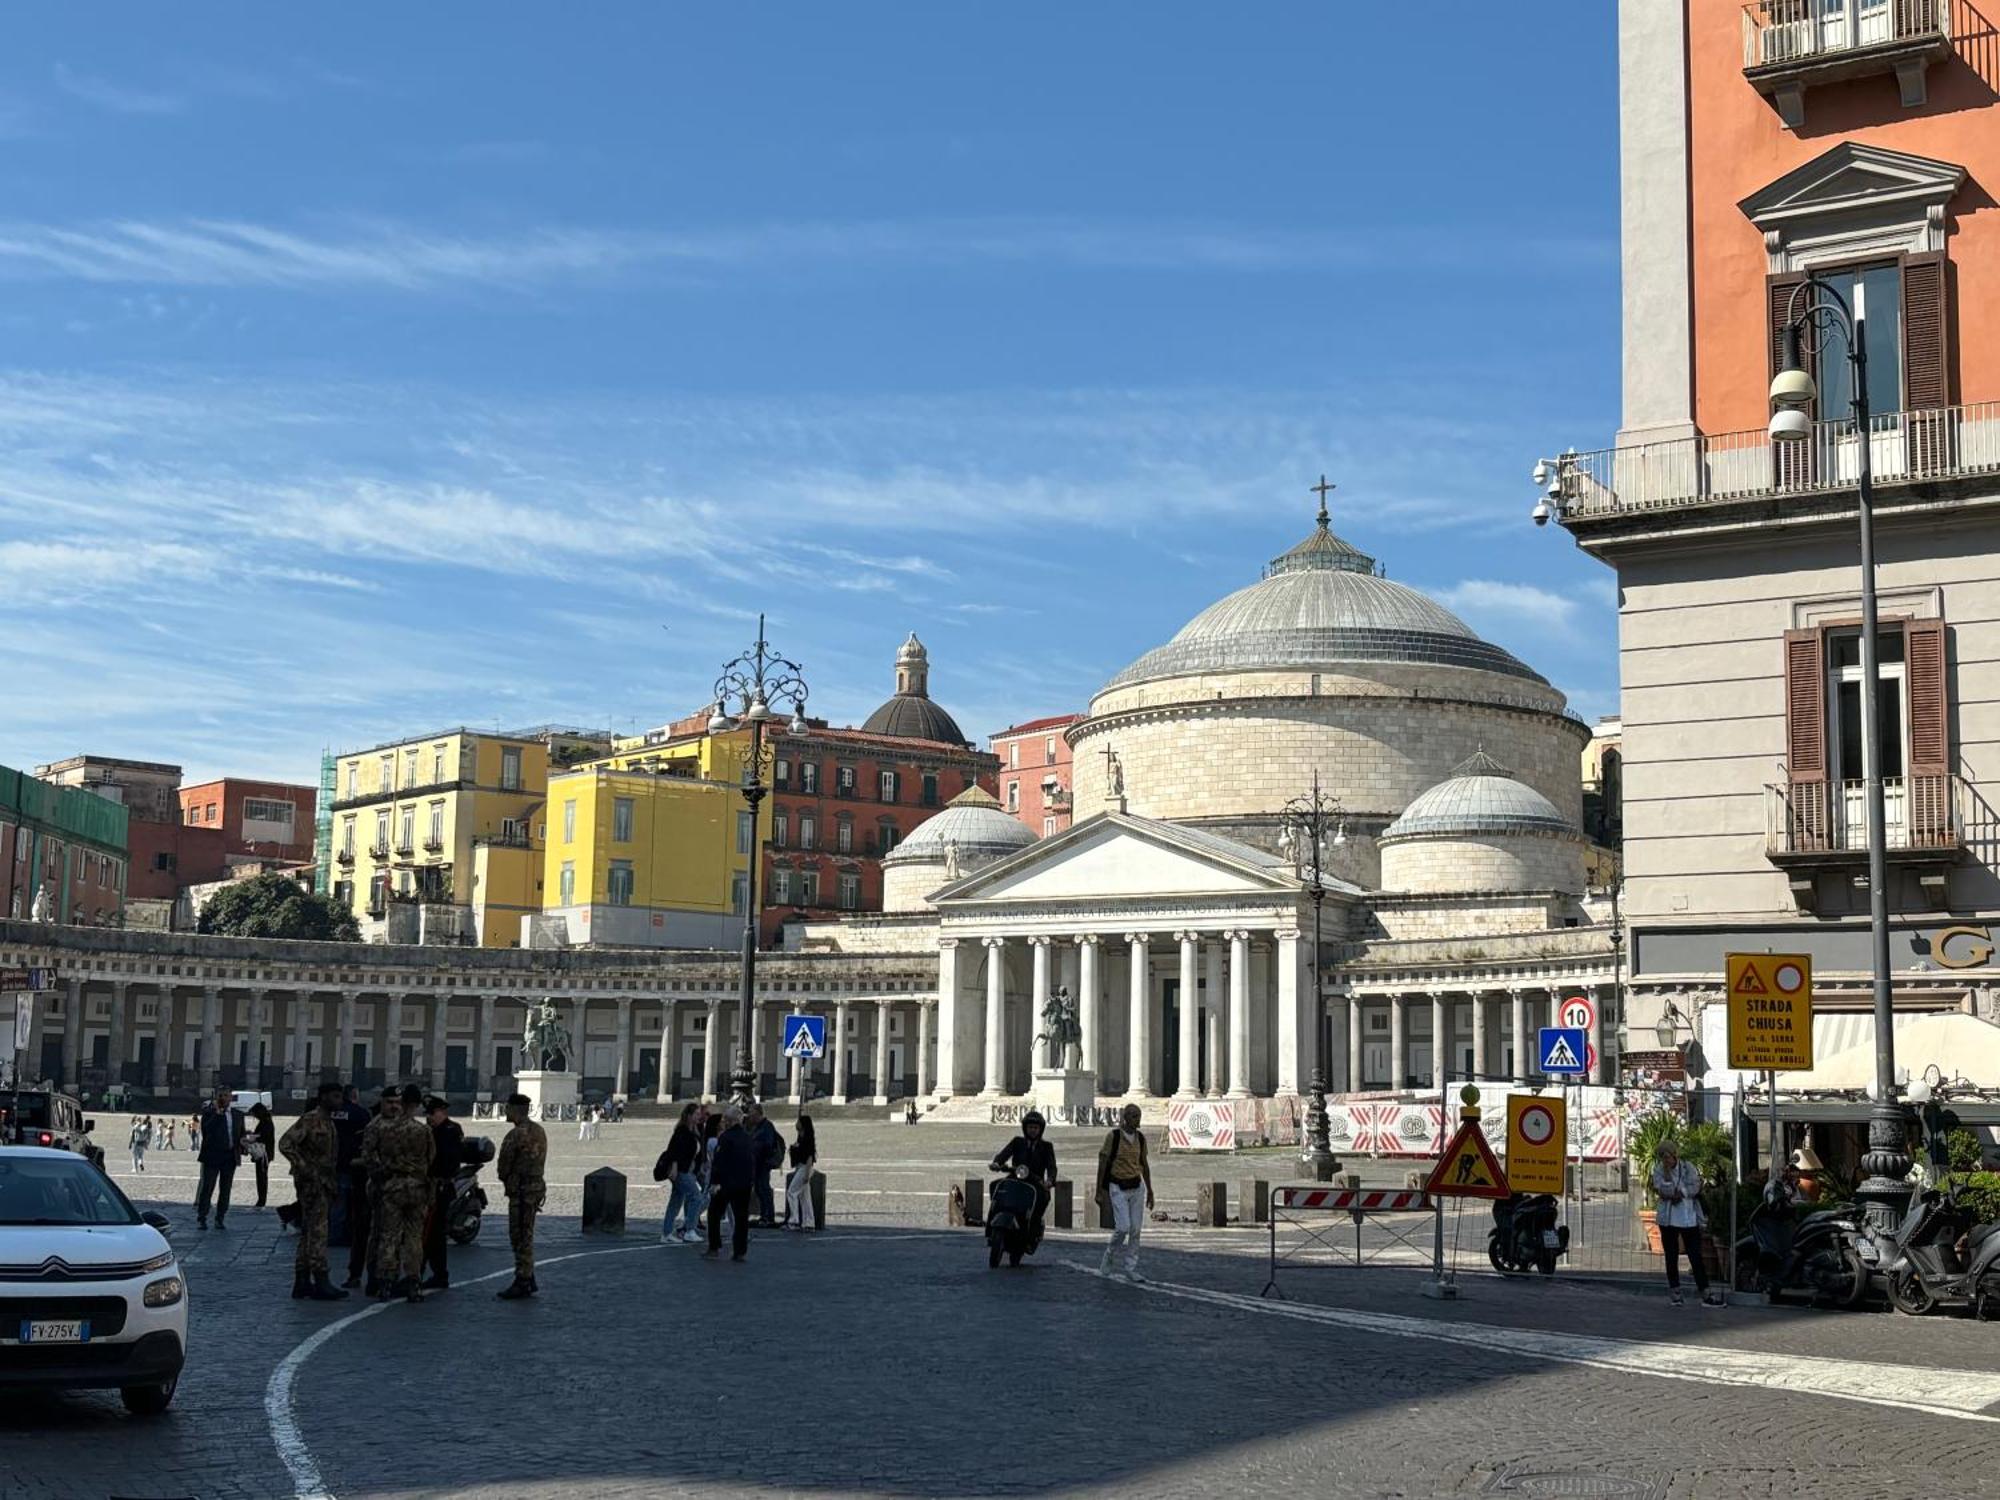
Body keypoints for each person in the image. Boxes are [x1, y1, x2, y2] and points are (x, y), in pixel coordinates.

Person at [280, 1083, 350, 1301]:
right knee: (319, 1232)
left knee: (308, 1232)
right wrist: (305, 1169)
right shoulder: (311, 1119)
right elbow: (286, 1143)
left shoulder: (328, 1122)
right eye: (335, 1096)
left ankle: (301, 1281)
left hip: (323, 1183)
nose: (340, 1101)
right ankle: (321, 1280)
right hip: (312, 1184)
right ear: (324, 1097)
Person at [370, 1084, 436, 1303]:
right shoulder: (423, 1130)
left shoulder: (384, 1129)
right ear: (416, 1105)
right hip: (417, 1188)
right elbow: (430, 1158)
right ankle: (413, 1282)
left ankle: (386, 1282)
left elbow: (373, 1156)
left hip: (392, 1187)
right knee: (414, 1237)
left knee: (389, 1236)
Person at [1651, 1140, 1721, 1306]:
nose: (1666, 1161)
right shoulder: (1659, 1170)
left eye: (1668, 1156)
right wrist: (1668, 1182)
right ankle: (1675, 1292)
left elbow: (1695, 1186)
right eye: (1662, 1158)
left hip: (1687, 1218)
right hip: (1667, 1220)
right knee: (1671, 1255)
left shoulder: (1687, 1167)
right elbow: (1660, 1188)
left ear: (1674, 1155)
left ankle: (1705, 1292)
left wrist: (1680, 1192)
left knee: (1695, 1255)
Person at [496, 1093, 548, 1300]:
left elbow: (504, 1166)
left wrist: (508, 1179)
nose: (506, 1112)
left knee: (519, 1236)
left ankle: (523, 1279)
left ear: (515, 1110)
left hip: (521, 1191)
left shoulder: (515, 1134)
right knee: (526, 1233)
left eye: (508, 1108)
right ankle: (528, 1276)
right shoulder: (539, 1130)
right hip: (535, 1188)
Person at [1095, 1103, 1154, 1282]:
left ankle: (1130, 1267)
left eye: (1139, 1116)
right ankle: (1109, 1255)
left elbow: (1143, 1164)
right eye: (1134, 1116)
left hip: (1137, 1187)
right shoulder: (1113, 1137)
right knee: (1123, 1227)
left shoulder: (1140, 1138)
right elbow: (1103, 1163)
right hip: (1117, 1186)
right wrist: (1099, 1190)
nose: (1138, 1119)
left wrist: (1150, 1190)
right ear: (1125, 1117)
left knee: (1136, 1230)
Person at [989, 1110, 1057, 1249]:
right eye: (1030, 1127)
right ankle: (992, 1224)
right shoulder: (1017, 1142)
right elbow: (1004, 1154)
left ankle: (1032, 1234)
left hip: (1035, 1182)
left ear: (1040, 1130)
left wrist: (1049, 1180)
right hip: (1015, 1177)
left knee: (1042, 1199)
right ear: (1025, 1128)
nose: (1033, 1130)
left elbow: (1052, 1166)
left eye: (1036, 1128)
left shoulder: (1046, 1147)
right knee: (995, 1186)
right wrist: (997, 1163)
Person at [421, 1095, 464, 1291]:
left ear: (442, 1112)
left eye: (432, 1113)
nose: (428, 1117)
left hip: (440, 1188)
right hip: (430, 1187)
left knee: (432, 1232)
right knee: (431, 1234)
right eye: (427, 1113)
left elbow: (446, 1161)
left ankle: (435, 1274)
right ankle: (436, 1273)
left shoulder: (449, 1131)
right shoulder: (434, 1130)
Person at [334, 1085, 375, 1289]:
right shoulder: (360, 1114)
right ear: (354, 1095)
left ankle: (335, 1234)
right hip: (355, 1169)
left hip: (335, 1164)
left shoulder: (330, 1114)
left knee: (337, 1202)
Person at [704, 1106, 755, 1262]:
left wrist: (714, 1183)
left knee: (713, 1213)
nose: (724, 1122)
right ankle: (740, 1251)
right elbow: (751, 1161)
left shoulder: (725, 1137)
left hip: (726, 1184)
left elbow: (719, 1163)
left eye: (726, 1120)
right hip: (744, 1184)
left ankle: (714, 1247)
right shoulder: (747, 1137)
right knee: (741, 1218)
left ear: (731, 1121)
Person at [656, 1103, 707, 1244]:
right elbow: (673, 1151)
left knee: (676, 1201)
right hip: (681, 1171)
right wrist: (674, 1167)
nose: (699, 1116)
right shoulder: (682, 1131)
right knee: (696, 1197)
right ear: (689, 1116)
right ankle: (689, 1230)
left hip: (687, 1171)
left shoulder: (694, 1131)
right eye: (696, 1114)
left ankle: (666, 1234)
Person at [195, 1087, 243, 1231]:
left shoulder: (238, 1115)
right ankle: (202, 1217)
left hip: (230, 1157)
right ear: (216, 1097)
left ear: (231, 1097)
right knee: (207, 1187)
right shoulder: (209, 1113)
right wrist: (217, 1114)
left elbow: (239, 1134)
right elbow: (206, 1131)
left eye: (226, 1095)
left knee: (225, 1188)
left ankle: (220, 1217)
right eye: (220, 1096)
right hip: (212, 1156)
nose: (223, 1098)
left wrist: (246, 1141)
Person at [745, 1103, 784, 1227]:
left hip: (763, 1163)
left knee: (764, 1189)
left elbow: (765, 1145)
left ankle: (768, 1216)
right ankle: (764, 1216)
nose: (749, 1115)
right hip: (757, 1163)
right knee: (759, 1189)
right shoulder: (756, 1126)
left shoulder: (766, 1127)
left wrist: (754, 1146)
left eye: (751, 1113)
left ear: (757, 1113)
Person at [785, 1114, 818, 1232]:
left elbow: (809, 1157)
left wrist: (806, 1174)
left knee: (792, 1192)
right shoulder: (801, 1137)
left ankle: (793, 1221)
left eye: (798, 1121)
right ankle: (809, 1222)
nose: (796, 1123)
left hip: (805, 1168)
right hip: (801, 1167)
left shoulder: (807, 1139)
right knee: (805, 1197)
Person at [247, 1102, 277, 1209]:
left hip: (263, 1154)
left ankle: (261, 1200)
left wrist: (252, 1137)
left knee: (261, 1177)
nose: (254, 1116)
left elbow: (263, 1137)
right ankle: (261, 1199)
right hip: (265, 1153)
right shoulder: (266, 1121)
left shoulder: (266, 1122)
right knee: (261, 1177)